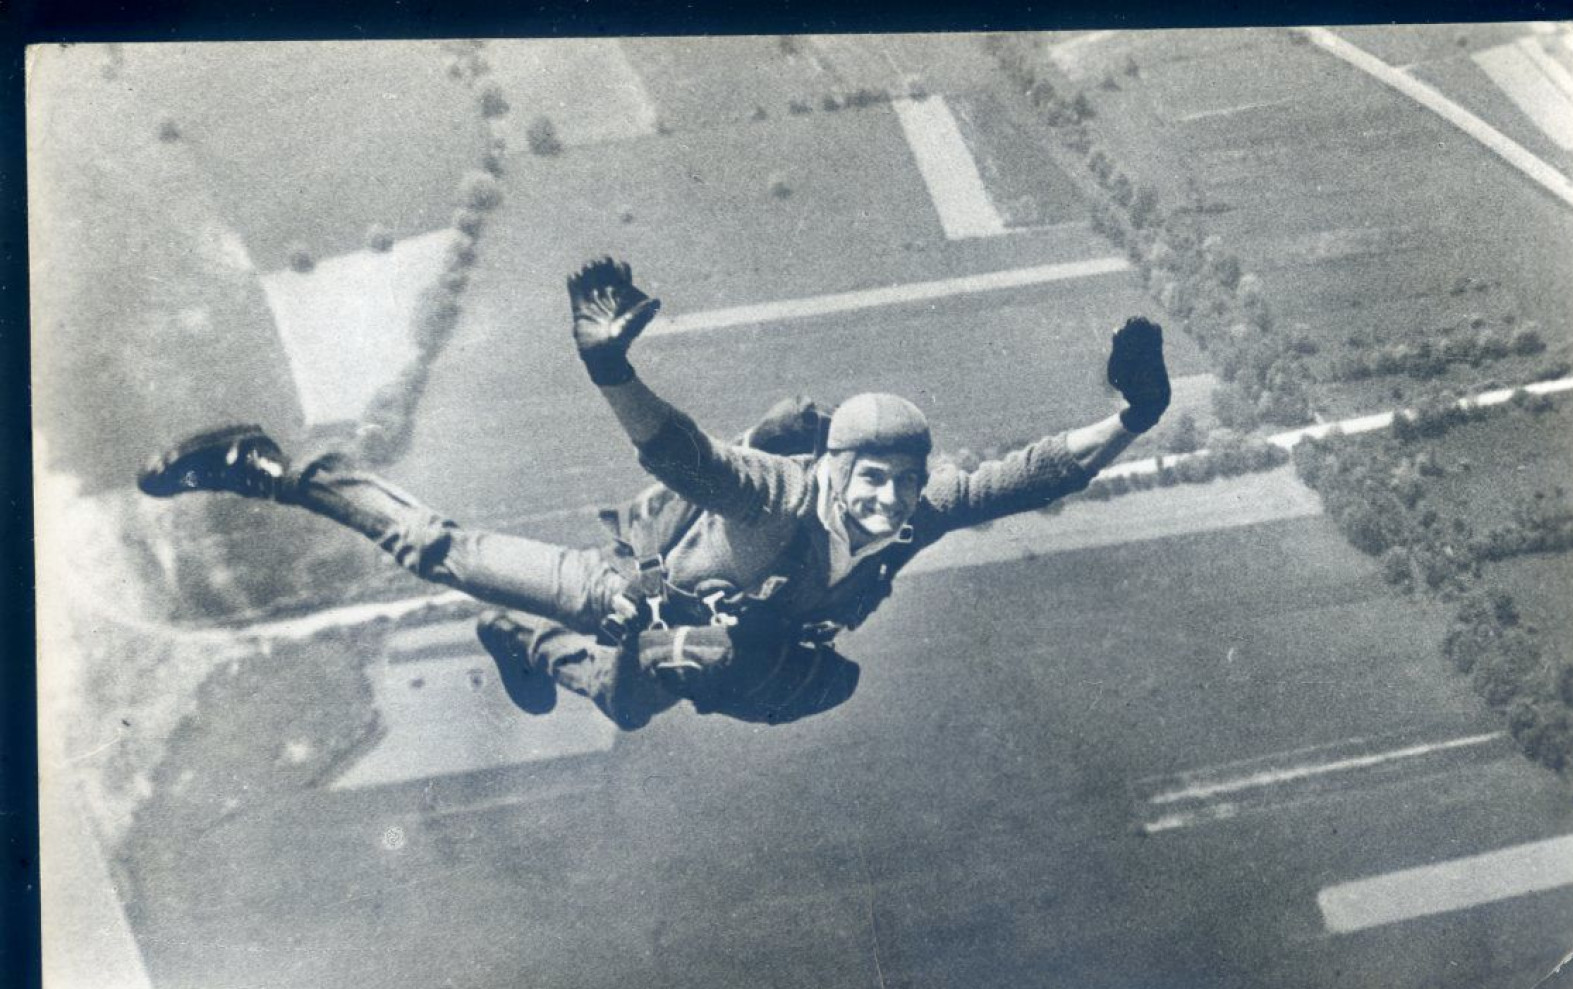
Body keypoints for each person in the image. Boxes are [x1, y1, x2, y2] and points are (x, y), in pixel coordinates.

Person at [139, 257, 1171, 729]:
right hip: (620, 594)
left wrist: (1129, 417)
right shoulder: (779, 492)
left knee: (630, 707)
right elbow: (686, 460)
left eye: (904, 484)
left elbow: (1022, 476)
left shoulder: (916, 511)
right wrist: (609, 370)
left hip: (716, 643)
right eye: (871, 480)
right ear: (834, 469)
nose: (889, 502)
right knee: (441, 553)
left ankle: (528, 649)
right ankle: (264, 469)